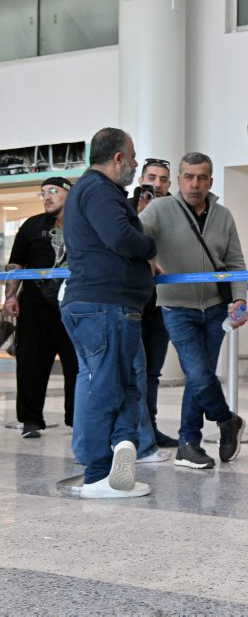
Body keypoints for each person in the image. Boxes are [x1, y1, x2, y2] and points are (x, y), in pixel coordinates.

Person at [60, 127, 154, 498]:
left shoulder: (89, 190)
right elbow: (119, 237)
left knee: (120, 383)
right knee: (107, 388)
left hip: (100, 305)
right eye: (132, 156)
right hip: (105, 305)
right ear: (117, 158)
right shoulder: (99, 190)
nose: (135, 163)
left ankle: (122, 447)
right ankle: (98, 475)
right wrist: (149, 246)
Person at [139, 152, 248, 470]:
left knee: (199, 379)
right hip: (177, 306)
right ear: (179, 180)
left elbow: (235, 261)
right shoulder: (160, 209)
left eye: (201, 177)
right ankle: (227, 420)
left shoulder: (223, 216)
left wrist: (239, 299)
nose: (194, 184)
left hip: (216, 308)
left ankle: (189, 443)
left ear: (210, 181)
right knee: (200, 374)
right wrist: (147, 258)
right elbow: (135, 238)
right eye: (188, 177)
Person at [3, 177, 79, 439]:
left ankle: (76, 419)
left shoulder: (81, 223)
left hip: (71, 305)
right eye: (43, 192)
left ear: (68, 194)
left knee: (76, 366)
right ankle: (30, 420)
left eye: (53, 191)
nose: (47, 196)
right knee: (31, 365)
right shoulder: (32, 225)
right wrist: (10, 297)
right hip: (35, 306)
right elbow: (16, 264)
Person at [132, 158, 178, 448]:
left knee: (152, 371)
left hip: (163, 302)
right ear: (141, 180)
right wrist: (139, 213)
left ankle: (150, 429)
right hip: (133, 301)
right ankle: (129, 431)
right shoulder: (126, 207)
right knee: (131, 370)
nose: (157, 184)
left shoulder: (177, 210)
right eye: (151, 177)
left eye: (163, 179)